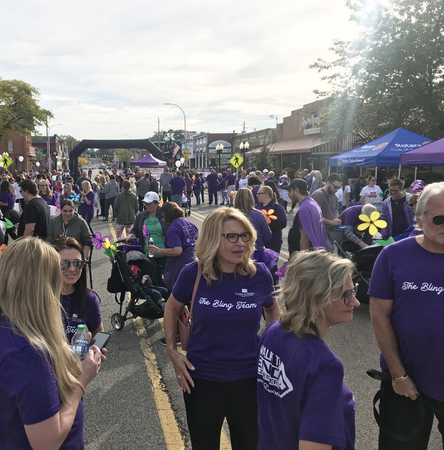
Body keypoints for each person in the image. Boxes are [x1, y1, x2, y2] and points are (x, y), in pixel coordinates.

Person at [164, 207, 280, 449]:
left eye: (245, 235)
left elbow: (272, 310)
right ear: (212, 240)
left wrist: (274, 348)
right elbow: (172, 308)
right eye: (231, 236)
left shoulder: (260, 275)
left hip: (250, 379)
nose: (240, 243)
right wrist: (173, 353)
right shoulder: (193, 273)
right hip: (202, 380)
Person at [0, 237, 106, 449]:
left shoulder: (4, 324)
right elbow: (47, 442)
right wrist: (82, 381)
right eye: (57, 274)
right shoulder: (28, 352)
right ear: (40, 286)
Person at [257, 250, 358, 449]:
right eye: (347, 295)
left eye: (353, 291)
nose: (355, 302)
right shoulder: (325, 366)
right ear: (317, 297)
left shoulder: (273, 332)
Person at [369, 181, 444, 449]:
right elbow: (379, 317)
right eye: (440, 218)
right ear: (420, 218)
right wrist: (399, 376)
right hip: (406, 386)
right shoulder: (392, 257)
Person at [55, 237, 102, 341]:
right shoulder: (39, 297)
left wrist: (94, 354)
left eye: (77, 263)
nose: (72, 269)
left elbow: (99, 335)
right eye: (64, 264)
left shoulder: (88, 298)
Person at [148, 201, 198, 289]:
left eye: (163, 215)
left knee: (172, 286)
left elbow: (177, 250)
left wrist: (158, 250)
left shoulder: (173, 228)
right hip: (194, 260)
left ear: (168, 214)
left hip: (180, 264)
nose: (163, 218)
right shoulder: (189, 224)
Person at [235, 189, 278, 271]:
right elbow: (267, 235)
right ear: (251, 199)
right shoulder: (258, 214)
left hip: (236, 252)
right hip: (256, 252)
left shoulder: (231, 215)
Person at [128, 192, 168, 278]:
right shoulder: (141, 215)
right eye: (145, 203)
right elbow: (135, 229)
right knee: (152, 280)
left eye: (149, 203)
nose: (147, 205)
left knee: (167, 281)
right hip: (148, 255)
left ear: (157, 203)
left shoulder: (165, 214)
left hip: (164, 254)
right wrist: (131, 235)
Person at [286, 179, 326, 255]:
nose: (288, 195)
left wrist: (302, 259)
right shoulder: (312, 203)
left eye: (289, 191)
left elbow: (305, 238)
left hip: (306, 255)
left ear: (296, 190)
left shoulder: (304, 209)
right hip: (315, 251)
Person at [256, 185, 287, 254]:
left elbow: (283, 223)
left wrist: (266, 228)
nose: (257, 195)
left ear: (266, 194)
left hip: (273, 241)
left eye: (259, 194)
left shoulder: (277, 207)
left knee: (272, 263)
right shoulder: (257, 207)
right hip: (260, 242)